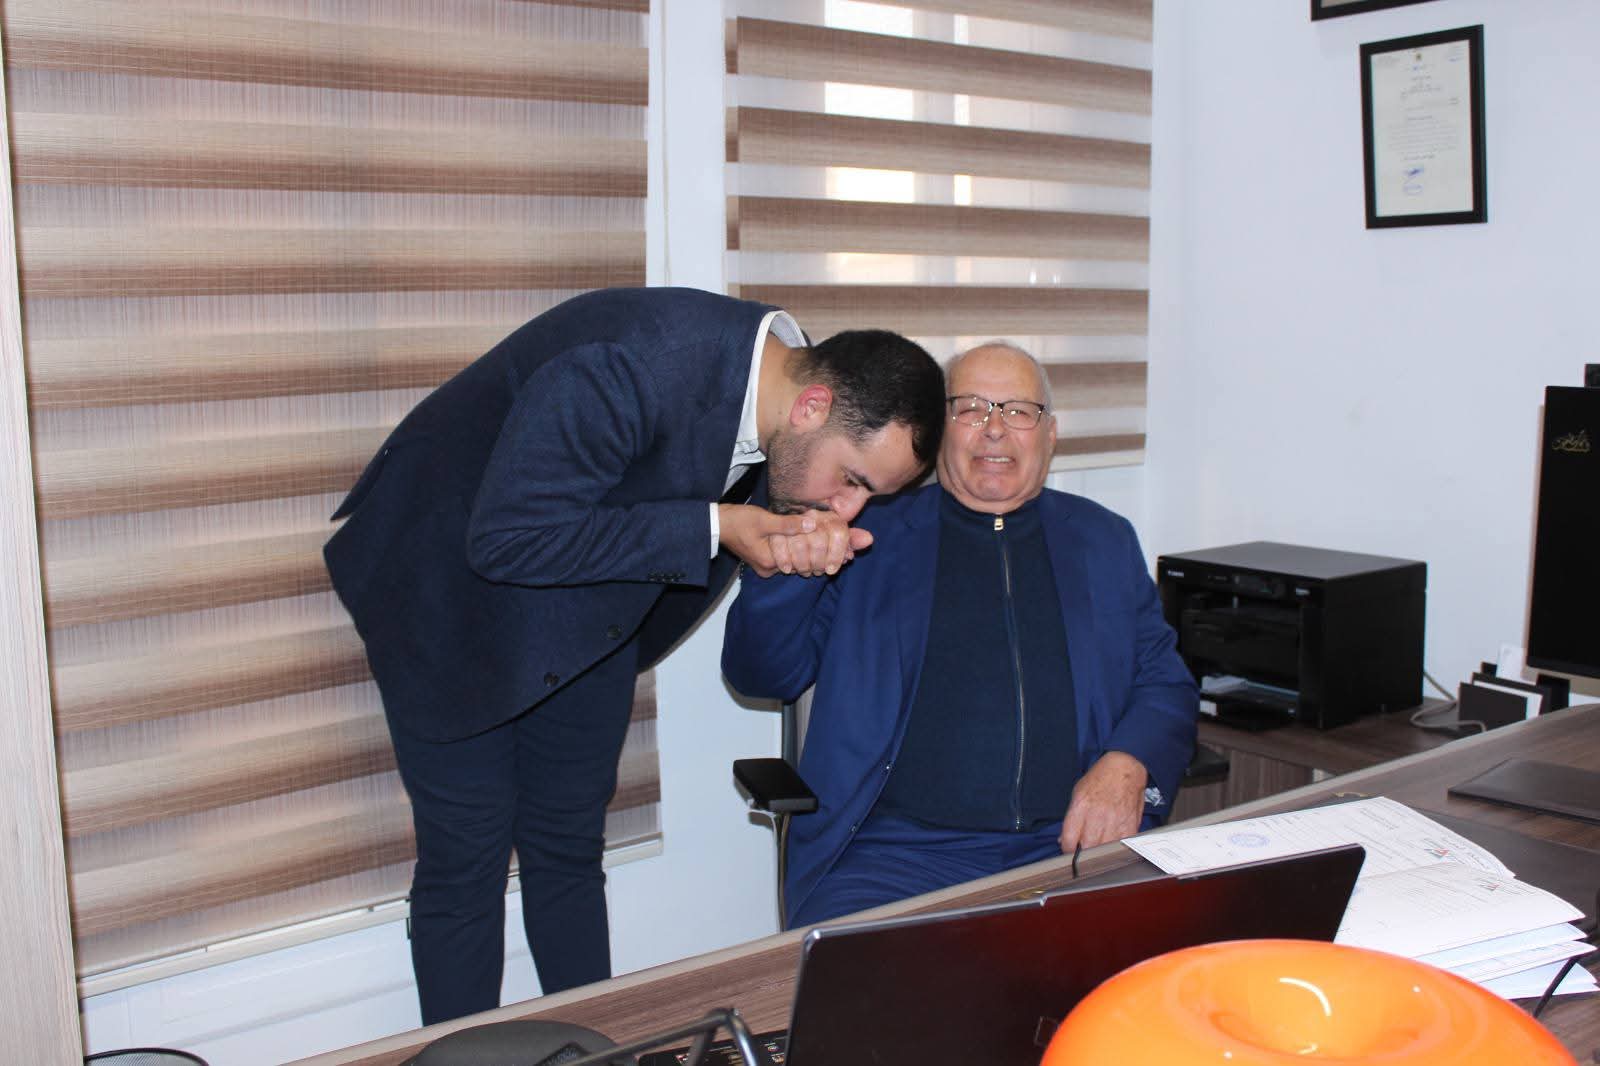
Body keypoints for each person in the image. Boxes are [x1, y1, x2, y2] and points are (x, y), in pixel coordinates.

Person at [323, 287, 945, 1023]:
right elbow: (509, 536)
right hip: (447, 594)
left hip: (593, 594)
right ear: (812, 406)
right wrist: (717, 527)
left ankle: (589, 1046)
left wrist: (780, 532)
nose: (847, 509)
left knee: (567, 848)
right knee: (468, 860)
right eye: (852, 482)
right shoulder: (633, 364)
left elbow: (677, 510)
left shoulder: (793, 401)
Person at [722, 342, 1198, 928]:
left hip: (1070, 846)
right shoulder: (864, 534)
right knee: (862, 983)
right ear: (937, 432)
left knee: (1170, 968)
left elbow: (1166, 682)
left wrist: (1128, 762)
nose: (995, 429)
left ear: (1050, 434)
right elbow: (762, 674)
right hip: (891, 857)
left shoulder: (1103, 539)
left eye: (1019, 411)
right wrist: (786, 564)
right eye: (971, 408)